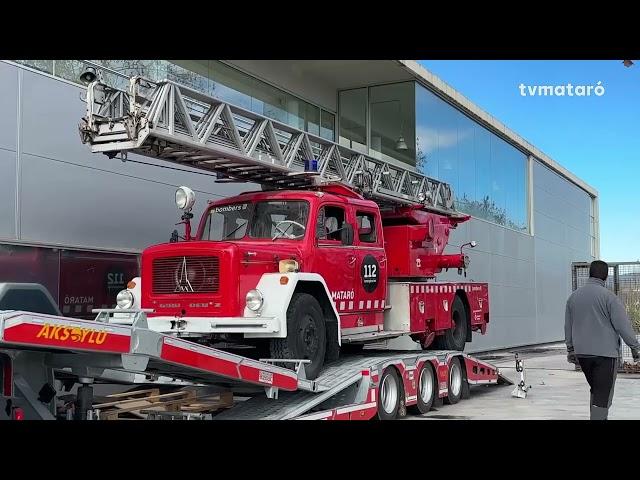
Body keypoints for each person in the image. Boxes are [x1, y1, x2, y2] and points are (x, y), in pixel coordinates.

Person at [565, 260, 640, 420]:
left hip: (582, 354)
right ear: (606, 276)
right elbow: (622, 325)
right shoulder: (609, 298)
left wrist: (570, 349)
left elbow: (568, 325)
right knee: (603, 397)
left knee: (596, 390)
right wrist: (635, 347)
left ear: (590, 273)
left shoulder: (573, 297)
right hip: (605, 355)